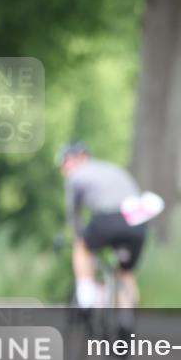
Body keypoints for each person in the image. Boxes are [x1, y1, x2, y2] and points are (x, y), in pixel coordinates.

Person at [56, 142, 149, 339]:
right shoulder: (112, 169)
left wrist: (77, 236)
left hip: (109, 219)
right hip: (137, 222)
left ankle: (86, 300)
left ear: (76, 160)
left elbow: (74, 215)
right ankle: (126, 319)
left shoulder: (77, 176)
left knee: (82, 248)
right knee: (125, 273)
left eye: (64, 163)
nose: (63, 169)